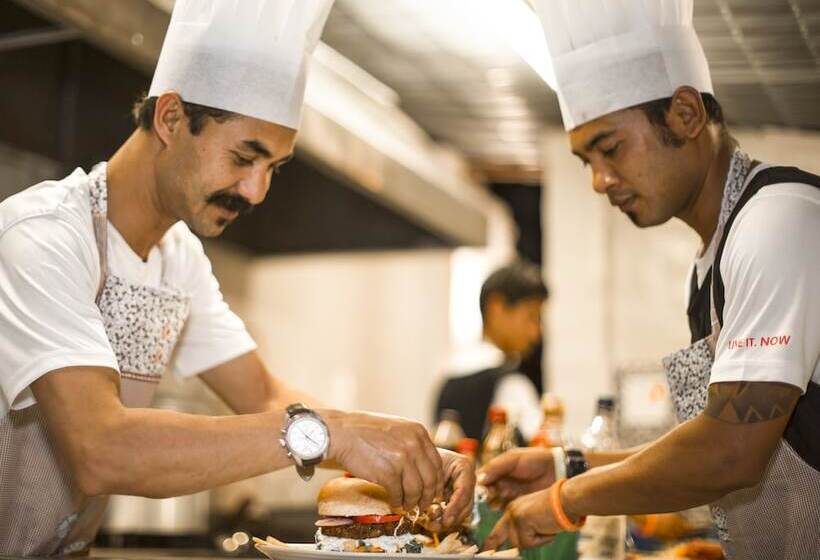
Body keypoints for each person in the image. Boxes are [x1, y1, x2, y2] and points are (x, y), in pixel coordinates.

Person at [0, 1, 472, 556]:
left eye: (272, 167)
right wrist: (337, 432)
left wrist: (400, 448)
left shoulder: (180, 259)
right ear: (170, 119)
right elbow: (100, 447)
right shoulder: (42, 235)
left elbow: (264, 396)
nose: (256, 192)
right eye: (244, 157)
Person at [481, 1, 819, 559]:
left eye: (609, 148)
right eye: (585, 160)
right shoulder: (711, 261)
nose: (598, 180)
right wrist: (569, 464)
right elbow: (715, 431)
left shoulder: (779, 221)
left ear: (685, 113)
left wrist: (565, 499)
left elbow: (731, 451)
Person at [436, 261, 546, 442]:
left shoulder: (448, 376)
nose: (536, 333)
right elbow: (543, 448)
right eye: (532, 316)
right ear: (497, 307)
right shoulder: (511, 383)